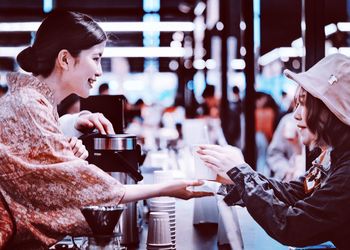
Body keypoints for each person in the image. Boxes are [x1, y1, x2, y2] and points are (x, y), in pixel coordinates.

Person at [0, 10, 212, 249]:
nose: (100, 71)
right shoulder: (29, 105)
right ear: (65, 59)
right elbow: (81, 186)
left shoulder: (33, 102)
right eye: (96, 58)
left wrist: (71, 130)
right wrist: (167, 189)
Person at [198, 53, 350, 249]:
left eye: (304, 104)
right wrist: (238, 179)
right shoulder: (334, 157)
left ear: (329, 111)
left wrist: (242, 174)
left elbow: (292, 225)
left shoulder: (346, 171)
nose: (295, 115)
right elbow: (293, 192)